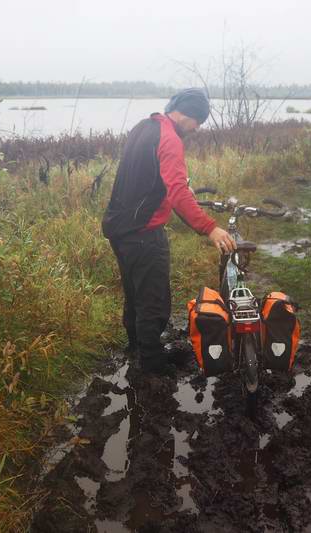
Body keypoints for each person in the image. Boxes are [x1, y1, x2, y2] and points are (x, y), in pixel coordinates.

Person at [102, 88, 237, 374]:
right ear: (189, 115)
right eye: (198, 122)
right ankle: (153, 368)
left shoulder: (145, 126)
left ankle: (135, 349)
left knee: (135, 295)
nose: (197, 128)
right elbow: (177, 193)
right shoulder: (171, 139)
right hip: (143, 234)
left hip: (119, 228)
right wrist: (210, 228)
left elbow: (150, 179)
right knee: (154, 302)